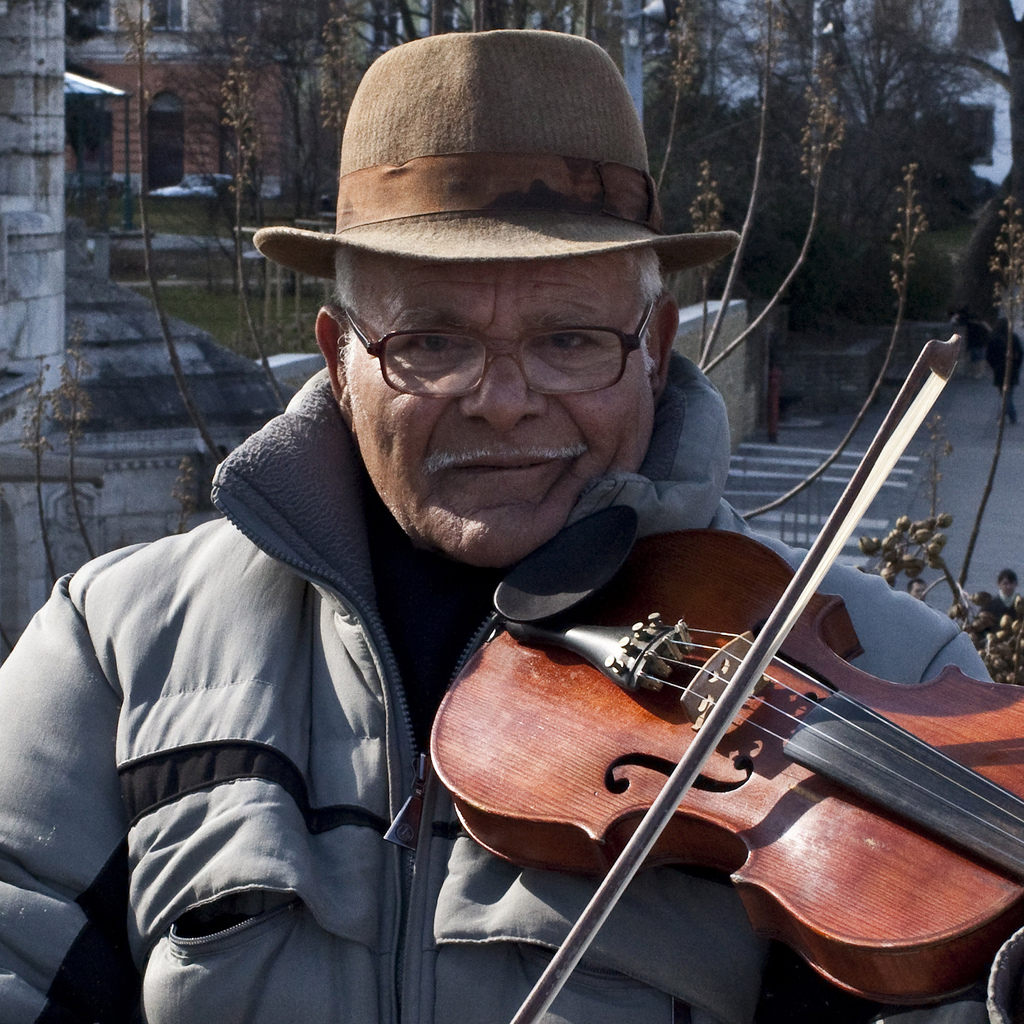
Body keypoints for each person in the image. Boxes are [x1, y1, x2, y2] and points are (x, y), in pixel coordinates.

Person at [0, 30, 1013, 1024]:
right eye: (432, 341)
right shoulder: (116, 648)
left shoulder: (897, 670)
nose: (502, 400)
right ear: (339, 358)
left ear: (655, 348)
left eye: (568, 339)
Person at [987, 319, 1023, 424]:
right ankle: (1009, 415)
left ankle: (1004, 415)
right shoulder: (1013, 338)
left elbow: (989, 356)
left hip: (999, 370)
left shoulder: (994, 339)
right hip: (1012, 369)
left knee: (1004, 394)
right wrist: (1017, 365)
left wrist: (994, 366)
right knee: (1008, 394)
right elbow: (1020, 354)